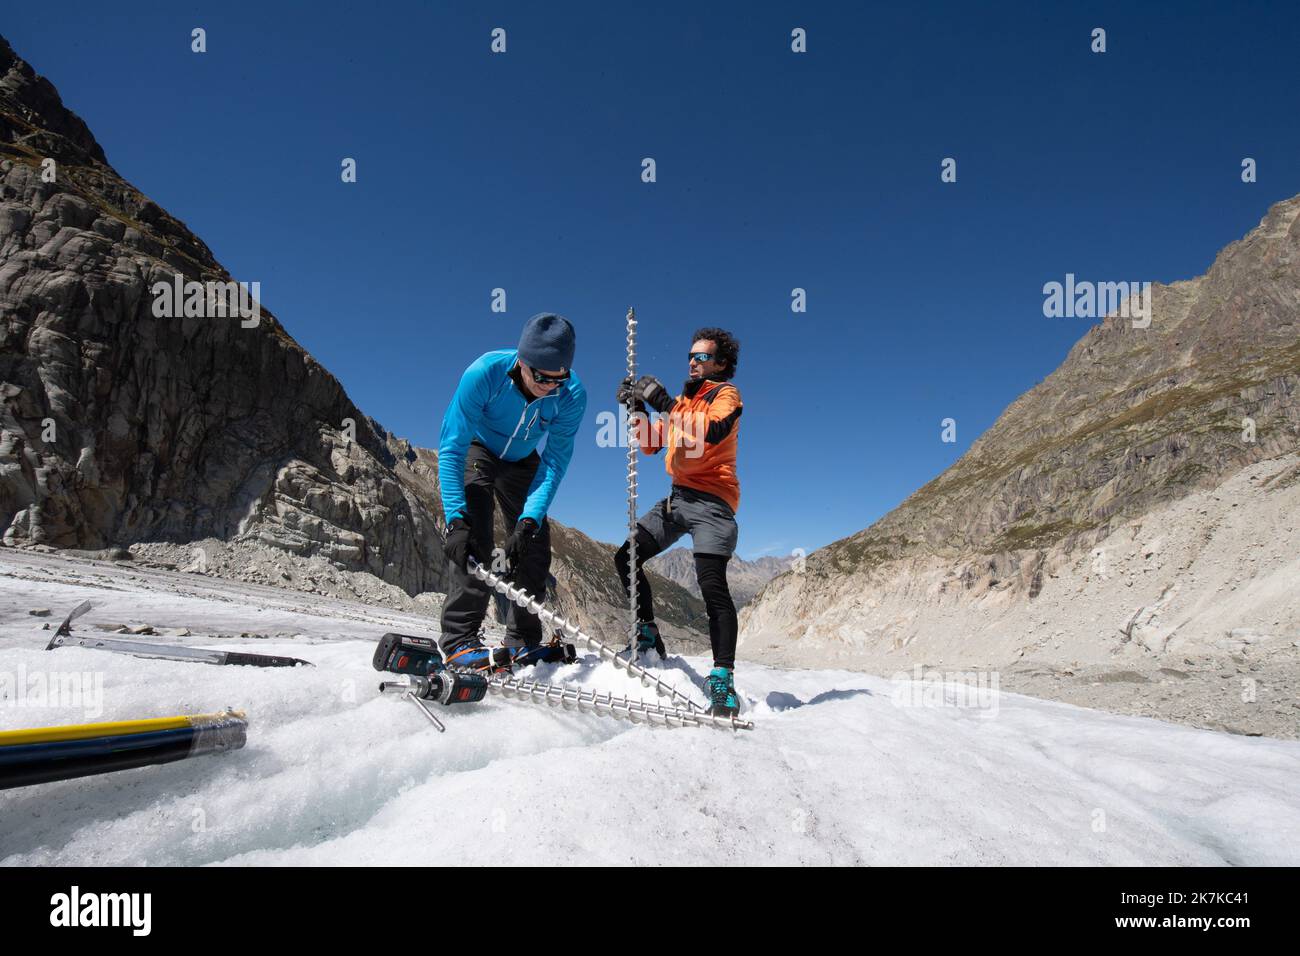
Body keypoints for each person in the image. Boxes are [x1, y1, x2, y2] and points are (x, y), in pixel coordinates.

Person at [438, 312, 587, 668]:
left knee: (534, 545)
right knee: (475, 531)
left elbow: (554, 462)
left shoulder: (572, 395)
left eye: (558, 378)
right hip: (479, 448)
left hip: (523, 460)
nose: (550, 386)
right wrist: (455, 518)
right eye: (540, 377)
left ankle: (521, 639)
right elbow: (451, 446)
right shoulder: (484, 372)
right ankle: (459, 639)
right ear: (522, 360)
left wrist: (530, 519)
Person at [614, 327, 744, 717]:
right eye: (691, 355)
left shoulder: (726, 396)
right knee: (627, 557)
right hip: (678, 498)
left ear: (721, 364)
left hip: (713, 501)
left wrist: (665, 403)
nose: (693, 361)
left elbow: (712, 432)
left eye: (702, 357)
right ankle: (647, 633)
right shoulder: (687, 400)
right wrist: (636, 408)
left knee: (712, 586)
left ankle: (722, 678)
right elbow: (652, 445)